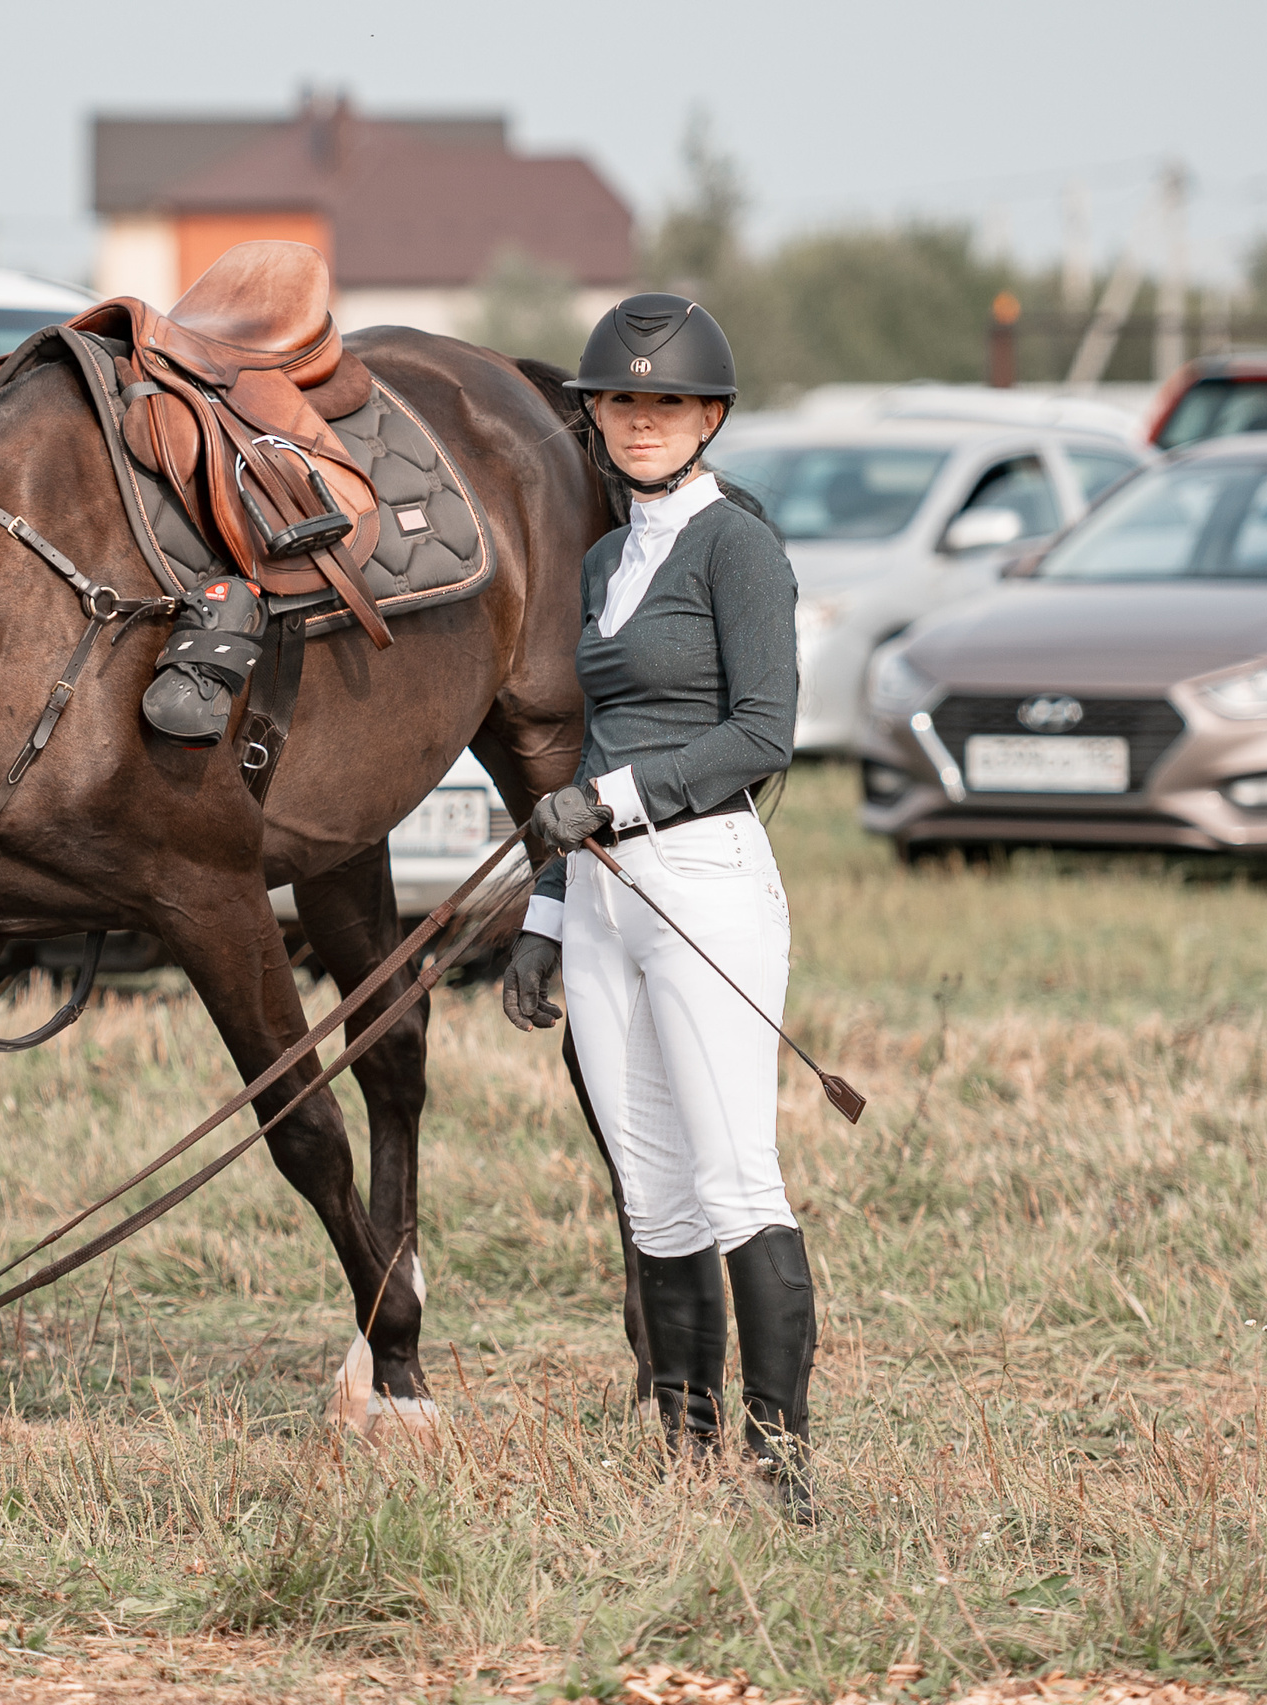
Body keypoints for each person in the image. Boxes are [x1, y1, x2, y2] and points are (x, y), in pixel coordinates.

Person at [500, 293, 816, 1515]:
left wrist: (615, 801)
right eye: (622, 402)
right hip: (603, 895)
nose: (641, 420)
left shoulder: (738, 546)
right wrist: (541, 911)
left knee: (736, 1176)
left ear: (709, 417)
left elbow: (765, 731)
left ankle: (779, 1465)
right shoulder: (598, 561)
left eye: (665, 402)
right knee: (651, 1182)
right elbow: (590, 744)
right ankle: (687, 1455)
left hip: (704, 878)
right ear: (597, 419)